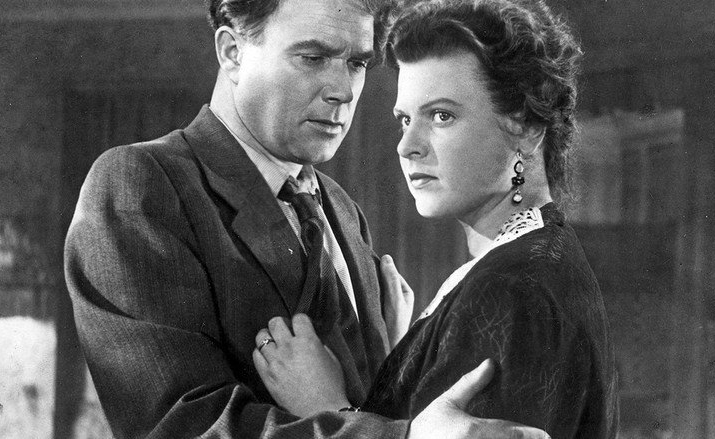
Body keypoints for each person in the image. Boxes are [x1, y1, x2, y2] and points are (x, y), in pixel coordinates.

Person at [63, 0, 551, 437]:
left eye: (357, 63)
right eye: (313, 57)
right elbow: (183, 427)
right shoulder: (142, 185)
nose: (343, 91)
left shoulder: (340, 209)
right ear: (232, 52)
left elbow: (363, 406)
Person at [252, 0, 620, 437]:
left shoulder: (511, 290)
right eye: (405, 119)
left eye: (441, 116)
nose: (407, 145)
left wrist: (329, 408)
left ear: (526, 126)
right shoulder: (529, 261)